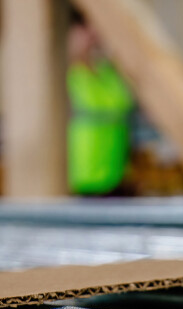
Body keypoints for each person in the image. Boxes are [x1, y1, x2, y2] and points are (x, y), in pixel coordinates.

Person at [66, 13, 135, 195]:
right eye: (84, 27)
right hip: (78, 183)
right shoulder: (64, 74)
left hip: (115, 178)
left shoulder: (108, 72)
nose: (92, 34)